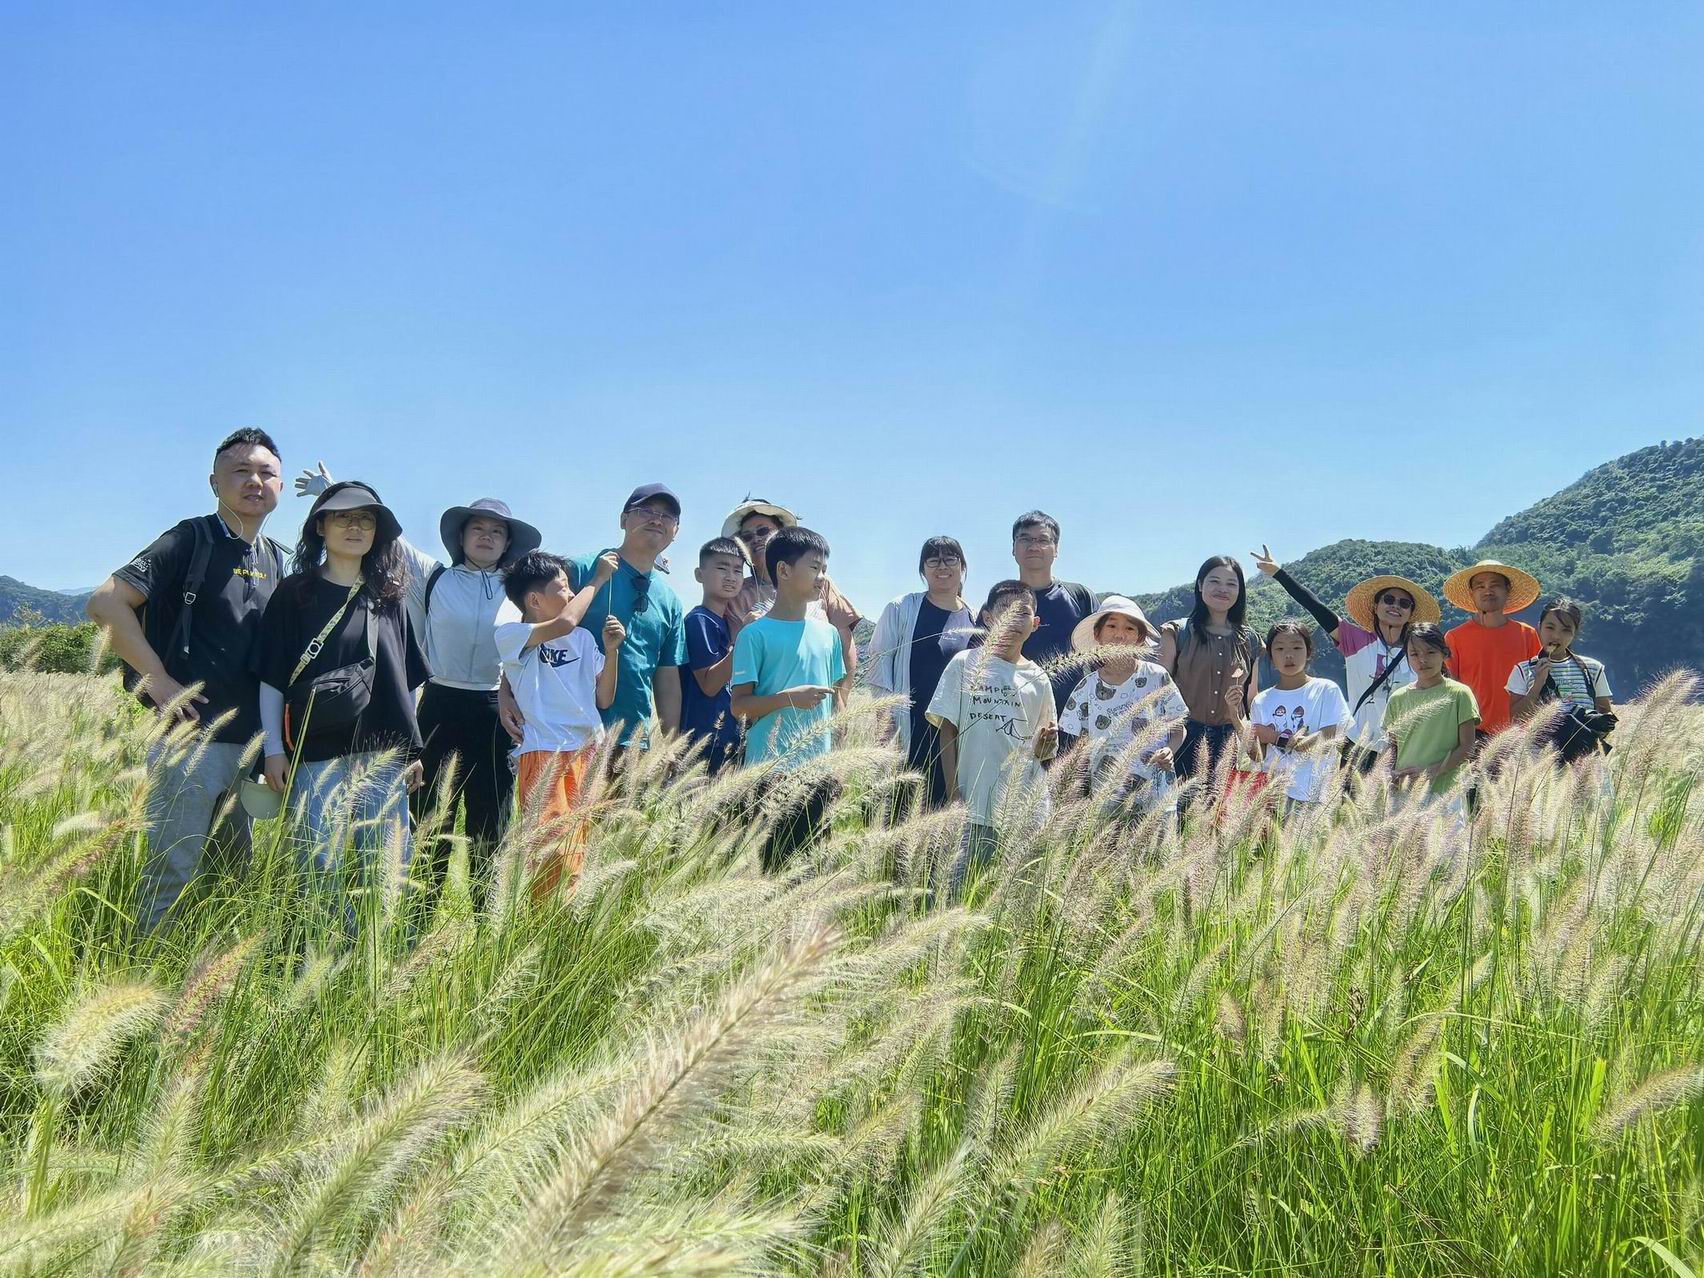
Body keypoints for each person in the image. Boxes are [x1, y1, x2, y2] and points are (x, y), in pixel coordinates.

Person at [295, 466, 543, 893]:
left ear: (508, 543)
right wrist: (332, 491)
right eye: (477, 528)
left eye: (497, 532)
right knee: (428, 815)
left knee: (492, 818)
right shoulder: (434, 576)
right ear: (461, 537)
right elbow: (390, 537)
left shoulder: (520, 593)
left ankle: (488, 915)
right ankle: (419, 916)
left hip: (495, 710)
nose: (486, 537)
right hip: (440, 704)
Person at [87, 427, 290, 933]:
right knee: (171, 871)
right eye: (240, 471)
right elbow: (106, 602)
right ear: (214, 482)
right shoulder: (189, 539)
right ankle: (146, 967)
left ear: (281, 487)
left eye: (266, 472)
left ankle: (212, 969)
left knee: (233, 876)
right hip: (189, 740)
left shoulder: (275, 557)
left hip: (249, 746)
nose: (254, 481)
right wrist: (155, 677)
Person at [253, 482, 429, 929]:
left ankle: (376, 956)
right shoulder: (295, 593)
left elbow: (407, 681)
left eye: (366, 519)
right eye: (343, 517)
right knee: (318, 869)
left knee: (385, 871)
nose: (355, 527)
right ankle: (328, 953)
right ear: (320, 526)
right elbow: (272, 678)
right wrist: (273, 750)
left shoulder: (389, 599)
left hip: (383, 756)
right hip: (315, 756)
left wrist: (410, 751)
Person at [502, 484, 686, 753]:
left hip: (633, 743)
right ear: (623, 519)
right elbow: (532, 627)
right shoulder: (581, 570)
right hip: (565, 740)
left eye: (667, 516)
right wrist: (505, 693)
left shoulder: (671, 601)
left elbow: (667, 677)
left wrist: (669, 747)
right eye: (646, 511)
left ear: (676, 531)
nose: (657, 520)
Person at [494, 550, 624, 898]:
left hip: (588, 751)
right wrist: (598, 579)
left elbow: (604, 698)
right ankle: (542, 920)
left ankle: (570, 923)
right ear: (535, 600)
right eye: (563, 587)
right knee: (551, 852)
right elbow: (565, 621)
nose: (571, 594)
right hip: (544, 753)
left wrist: (612, 652)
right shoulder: (510, 635)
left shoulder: (584, 639)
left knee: (579, 846)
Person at [1250, 546, 1442, 772]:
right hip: (1359, 745)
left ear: (1410, 612)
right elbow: (1315, 607)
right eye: (1388, 599)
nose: (1395, 606)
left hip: (1405, 746)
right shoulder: (1356, 640)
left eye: (1404, 603)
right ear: (1376, 606)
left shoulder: (1417, 650)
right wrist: (1279, 573)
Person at [927, 581, 1059, 895]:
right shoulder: (964, 663)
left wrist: (1045, 745)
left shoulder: (1039, 678)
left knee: (1015, 898)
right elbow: (948, 729)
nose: (1014, 618)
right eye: (1005, 609)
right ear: (987, 617)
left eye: (1022, 612)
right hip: (972, 805)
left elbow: (1044, 750)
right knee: (955, 893)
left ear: (1035, 623)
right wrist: (953, 793)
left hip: (1024, 808)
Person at [729, 526, 848, 870]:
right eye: (814, 567)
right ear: (783, 569)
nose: (822, 577)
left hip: (819, 770)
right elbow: (739, 705)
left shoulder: (828, 635)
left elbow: (836, 705)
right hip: (771, 772)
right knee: (773, 870)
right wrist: (787, 698)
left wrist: (839, 761)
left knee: (814, 870)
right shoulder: (753, 635)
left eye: (824, 568)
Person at [867, 536, 976, 807]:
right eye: (933, 560)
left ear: (962, 566)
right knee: (904, 807)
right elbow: (879, 666)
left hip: (954, 731)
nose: (942, 566)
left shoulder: (973, 616)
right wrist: (886, 726)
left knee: (948, 805)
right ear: (922, 569)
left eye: (950, 559)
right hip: (910, 727)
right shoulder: (901, 608)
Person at [1057, 596, 1187, 817]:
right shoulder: (1086, 688)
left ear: (1139, 638)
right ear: (1097, 634)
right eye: (1111, 626)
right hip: (1106, 794)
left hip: (1155, 790)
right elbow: (1076, 748)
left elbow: (1179, 728)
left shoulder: (1157, 677)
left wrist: (1170, 750)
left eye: (1129, 628)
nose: (1120, 634)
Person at [723, 498, 862, 691]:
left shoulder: (820, 582)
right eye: (746, 537)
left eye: (763, 531)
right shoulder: (737, 596)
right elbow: (740, 659)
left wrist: (841, 697)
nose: (755, 539)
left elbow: (844, 642)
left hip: (822, 700)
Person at [1157, 556, 1258, 790]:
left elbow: (1251, 699)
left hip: (1228, 740)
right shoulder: (1178, 632)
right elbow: (1158, 690)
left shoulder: (1249, 640)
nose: (1223, 589)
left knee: (1217, 808)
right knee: (1179, 807)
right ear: (1201, 585)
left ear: (1240, 591)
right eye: (1215, 581)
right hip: (1182, 736)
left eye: (1231, 584)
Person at [1248, 622, 1352, 809]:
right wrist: (1235, 717)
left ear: (1308, 652)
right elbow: (1258, 756)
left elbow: (1329, 740)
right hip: (1272, 795)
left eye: (1296, 647)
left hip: (1313, 795)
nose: (1288, 655)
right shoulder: (1261, 701)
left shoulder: (1325, 690)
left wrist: (1276, 738)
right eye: (1280, 649)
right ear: (1271, 656)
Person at [1441, 559, 1542, 739]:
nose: (1487, 591)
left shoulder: (1527, 635)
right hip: (1472, 733)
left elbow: (1539, 683)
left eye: (1495, 585)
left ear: (1507, 590)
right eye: (1480, 586)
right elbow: (1450, 689)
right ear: (1472, 593)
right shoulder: (1454, 638)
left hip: (1519, 732)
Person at [1381, 624, 1480, 805]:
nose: (1422, 660)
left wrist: (1432, 772)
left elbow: (1467, 746)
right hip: (1405, 792)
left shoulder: (1459, 694)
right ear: (1407, 657)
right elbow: (1391, 747)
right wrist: (1389, 774)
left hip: (1445, 793)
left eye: (1430, 652)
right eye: (1414, 654)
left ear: (1444, 653)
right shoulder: (1397, 698)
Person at [1508, 597, 1615, 763]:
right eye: (1550, 627)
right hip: (1540, 763)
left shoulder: (1592, 669)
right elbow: (1516, 718)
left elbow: (1605, 715)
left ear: (1574, 633)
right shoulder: (1523, 670)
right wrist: (1538, 684)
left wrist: (1583, 735)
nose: (1556, 636)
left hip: (1586, 762)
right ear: (1539, 627)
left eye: (1566, 630)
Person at [1008, 511, 1095, 713]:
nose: (1033, 546)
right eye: (1025, 539)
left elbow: (1101, 654)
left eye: (1043, 540)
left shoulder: (1080, 596)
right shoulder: (1000, 601)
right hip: (1012, 714)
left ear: (1056, 549)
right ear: (1013, 548)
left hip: (1074, 715)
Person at [680, 537, 748, 774]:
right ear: (699, 574)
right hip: (704, 739)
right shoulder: (699, 621)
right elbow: (709, 684)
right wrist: (744, 641)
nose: (731, 577)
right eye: (722, 568)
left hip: (728, 737)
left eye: (737, 570)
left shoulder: (726, 623)